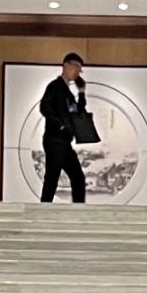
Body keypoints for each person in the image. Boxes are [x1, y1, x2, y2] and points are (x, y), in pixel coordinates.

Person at [38, 51, 94, 204]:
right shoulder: (55, 86)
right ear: (65, 65)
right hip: (55, 140)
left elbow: (78, 113)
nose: (77, 72)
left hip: (64, 142)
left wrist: (81, 93)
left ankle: (77, 211)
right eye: (75, 67)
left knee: (75, 178)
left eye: (79, 70)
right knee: (53, 178)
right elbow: (44, 107)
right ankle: (43, 212)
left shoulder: (68, 92)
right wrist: (61, 125)